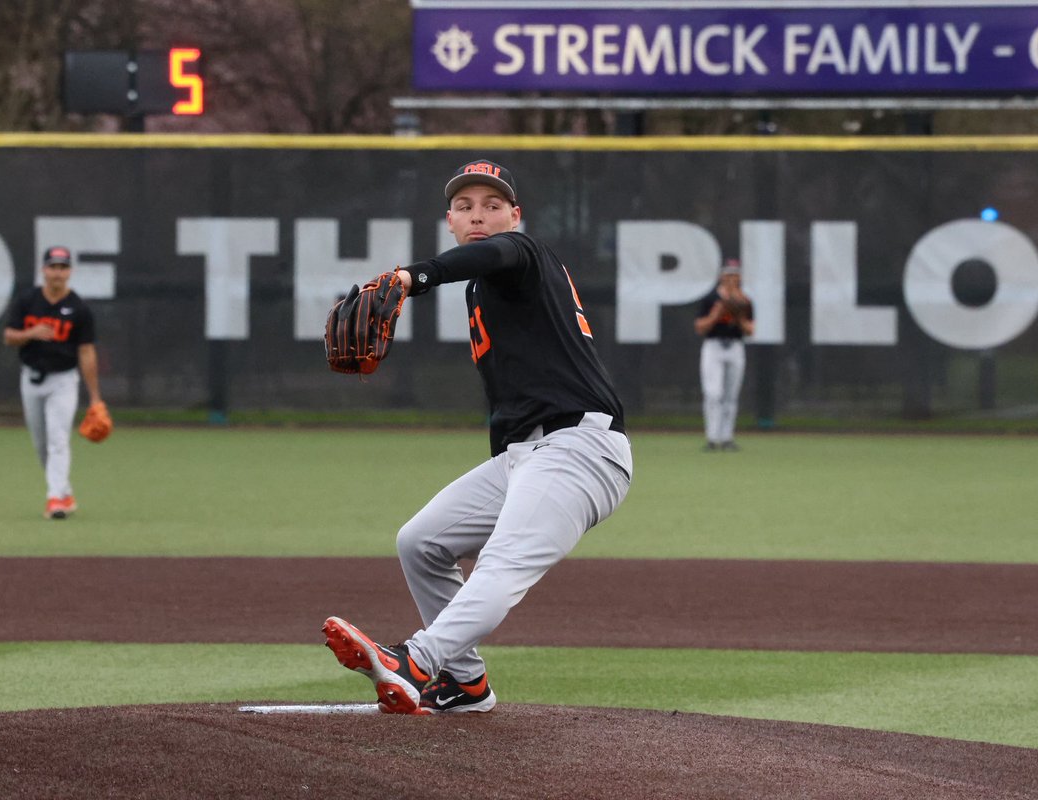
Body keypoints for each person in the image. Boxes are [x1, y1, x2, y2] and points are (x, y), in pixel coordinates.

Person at [322, 159, 633, 714]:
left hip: (580, 448)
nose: (479, 217)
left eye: (492, 206)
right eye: (465, 207)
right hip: (527, 456)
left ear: (516, 216)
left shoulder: (524, 254)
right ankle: (465, 683)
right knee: (421, 542)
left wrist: (412, 276)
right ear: (449, 220)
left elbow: (495, 253)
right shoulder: (484, 289)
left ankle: (416, 660)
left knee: (501, 565)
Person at [3, 246, 104, 519]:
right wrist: (31, 332)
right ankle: (64, 492)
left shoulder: (79, 309)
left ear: (69, 272)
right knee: (41, 444)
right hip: (31, 379)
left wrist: (95, 396)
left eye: (63, 267)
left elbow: (86, 352)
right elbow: (9, 336)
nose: (57, 273)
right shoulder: (28, 301)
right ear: (43, 270)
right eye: (53, 267)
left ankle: (54, 499)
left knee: (58, 440)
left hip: (63, 381)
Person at [693, 258, 754, 452]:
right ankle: (712, 438)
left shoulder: (744, 301)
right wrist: (716, 314)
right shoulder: (711, 299)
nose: (731, 278)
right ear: (721, 276)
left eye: (735, 274)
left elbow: (750, 330)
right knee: (713, 393)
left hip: (735, 347)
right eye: (728, 274)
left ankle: (726, 438)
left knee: (730, 395)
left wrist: (739, 315)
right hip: (714, 346)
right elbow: (700, 328)